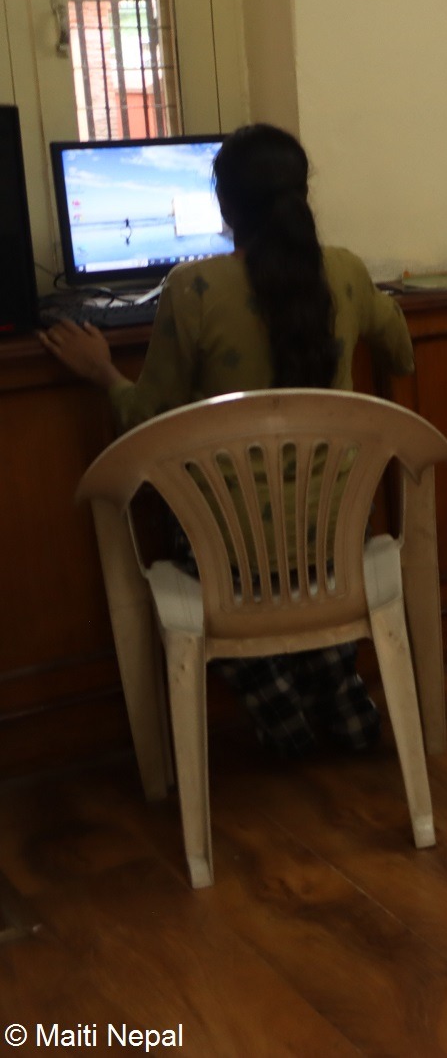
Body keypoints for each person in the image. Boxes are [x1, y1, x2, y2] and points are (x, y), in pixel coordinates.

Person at [40, 124, 415, 758]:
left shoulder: (193, 289)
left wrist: (102, 371)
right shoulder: (346, 271)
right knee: (295, 551)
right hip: (336, 539)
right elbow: (400, 353)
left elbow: (145, 419)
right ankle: (339, 694)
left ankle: (281, 714)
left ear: (224, 204)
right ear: (301, 196)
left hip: (230, 557)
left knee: (201, 539)